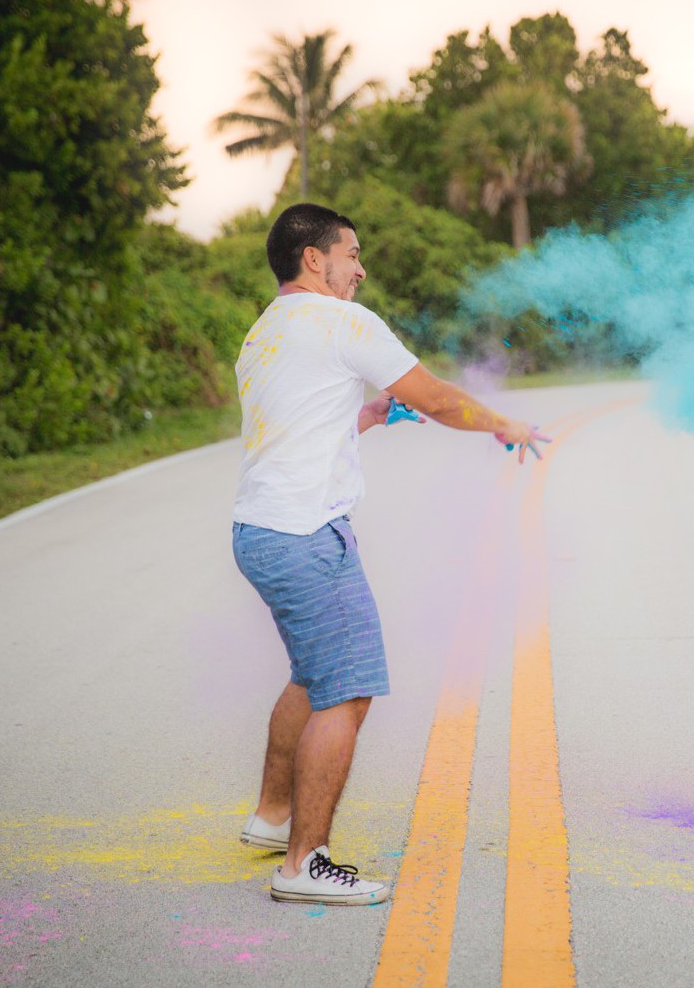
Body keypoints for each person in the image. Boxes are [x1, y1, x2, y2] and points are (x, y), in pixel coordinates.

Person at [232, 201, 548, 906]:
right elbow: (433, 394)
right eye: (351, 252)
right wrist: (501, 423)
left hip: (260, 530)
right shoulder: (343, 321)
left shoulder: (265, 331)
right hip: (307, 533)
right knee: (346, 688)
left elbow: (298, 427)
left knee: (312, 675)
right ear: (314, 258)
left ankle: (271, 816)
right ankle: (303, 863)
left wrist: (369, 414)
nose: (360, 267)